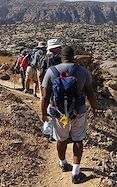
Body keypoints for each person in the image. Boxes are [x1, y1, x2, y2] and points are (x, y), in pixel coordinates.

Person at [41, 46, 97, 184]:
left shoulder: (51, 71)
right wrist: (94, 107)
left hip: (58, 112)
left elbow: (45, 97)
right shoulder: (82, 71)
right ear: (74, 57)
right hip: (79, 111)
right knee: (78, 139)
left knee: (61, 139)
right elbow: (90, 92)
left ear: (61, 56)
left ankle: (63, 163)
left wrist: (43, 114)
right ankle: (76, 173)